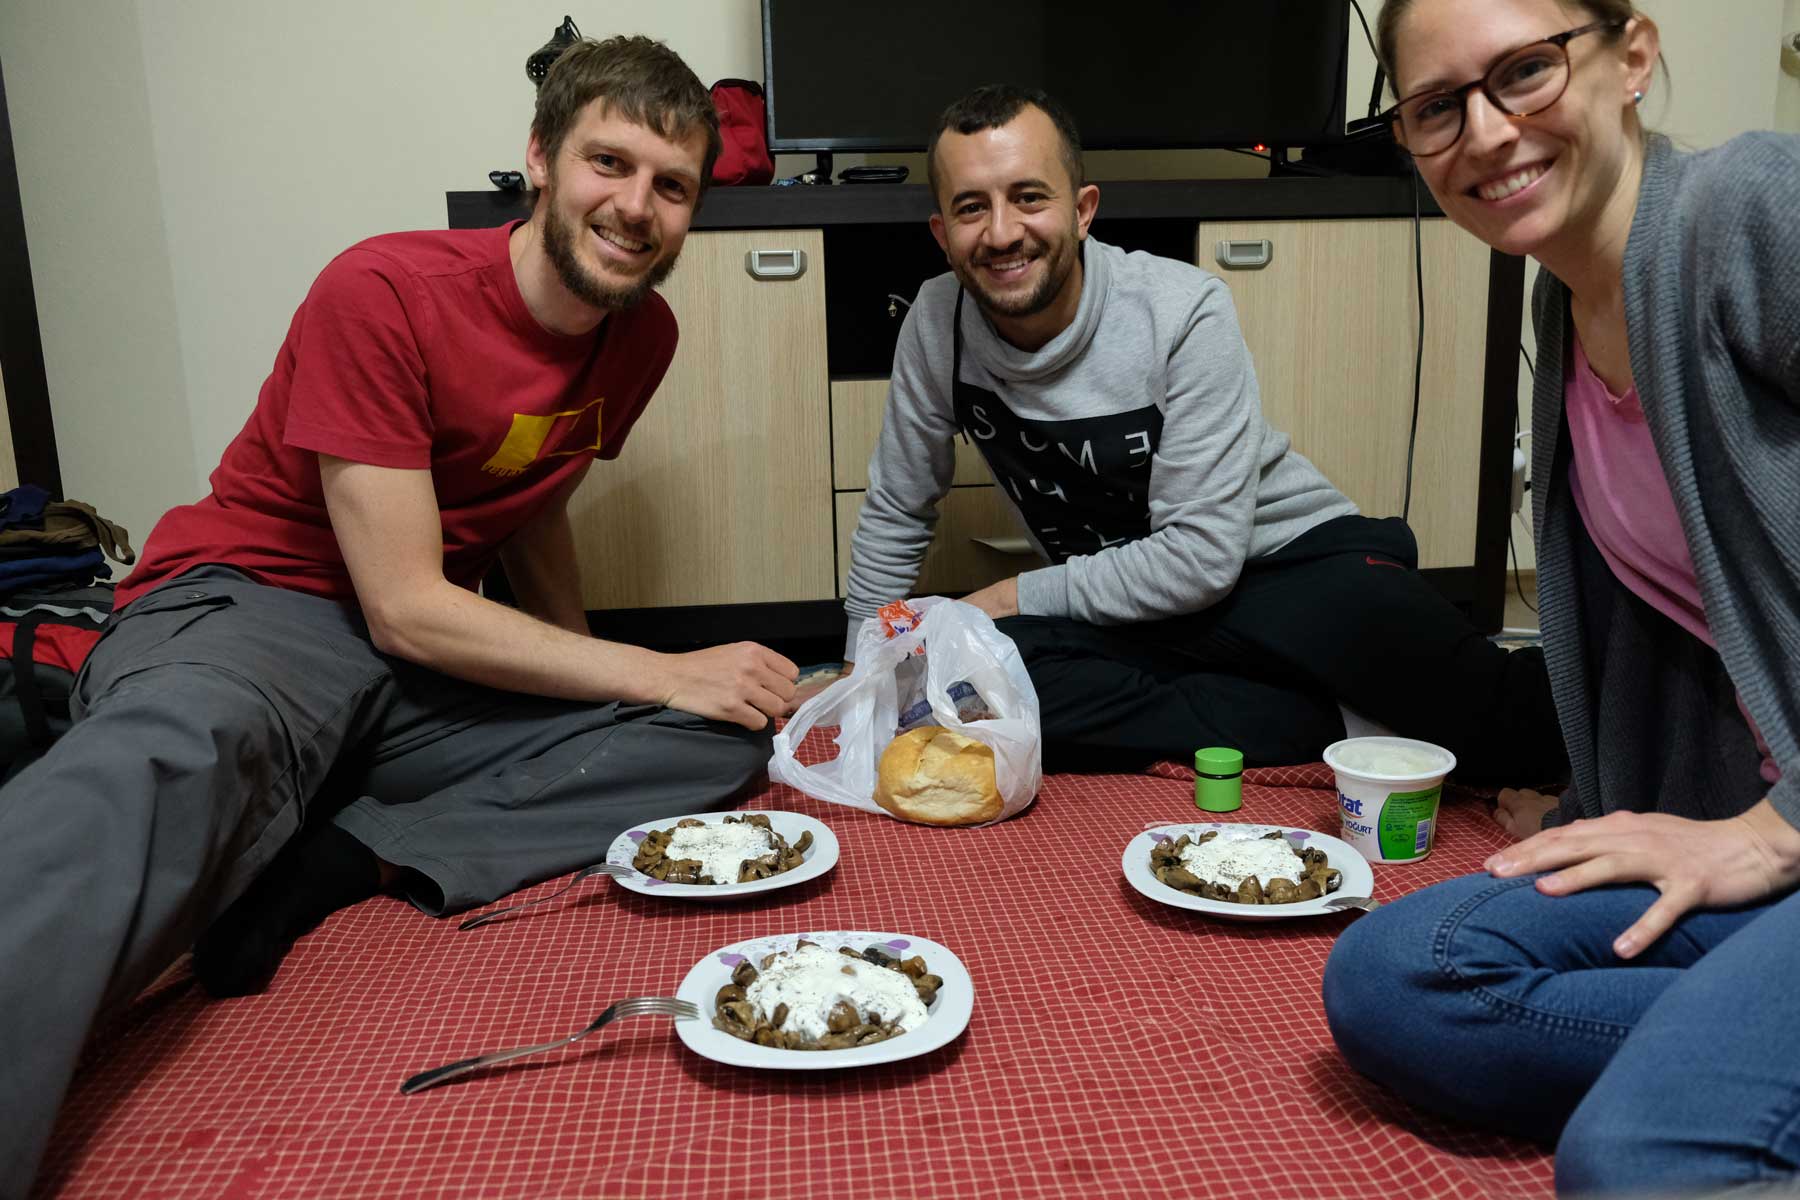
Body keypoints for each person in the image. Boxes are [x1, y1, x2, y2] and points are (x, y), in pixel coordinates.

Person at [0, 35, 799, 1192]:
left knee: (719, 734)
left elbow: (529, 496)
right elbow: (407, 609)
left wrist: (608, 670)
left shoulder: (645, 336)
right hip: (258, 607)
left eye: (671, 186)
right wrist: (649, 665)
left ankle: (341, 852)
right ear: (539, 157)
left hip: (409, 663)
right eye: (608, 164)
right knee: (169, 757)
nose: (636, 207)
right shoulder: (381, 291)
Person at [1321, 1, 1800, 1192]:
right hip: (1748, 843)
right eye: (1438, 107)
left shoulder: (1750, 210)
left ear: (1630, 55)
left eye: (1524, 72)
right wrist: (1607, 804)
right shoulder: (1567, 301)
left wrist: (1781, 827)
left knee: (1639, 1156)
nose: (1486, 133)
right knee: (1397, 974)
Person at [840, 83, 1566, 783]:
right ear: (942, 233)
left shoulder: (1181, 310)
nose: (1002, 233)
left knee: (1516, 733)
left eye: (1029, 197)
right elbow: (899, 508)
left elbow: (1201, 560)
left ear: (1083, 209)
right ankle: (1331, 720)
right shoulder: (936, 324)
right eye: (971, 208)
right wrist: (858, 671)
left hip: (1285, 565)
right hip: (1136, 603)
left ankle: (1309, 698)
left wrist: (1004, 597)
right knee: (970, 684)